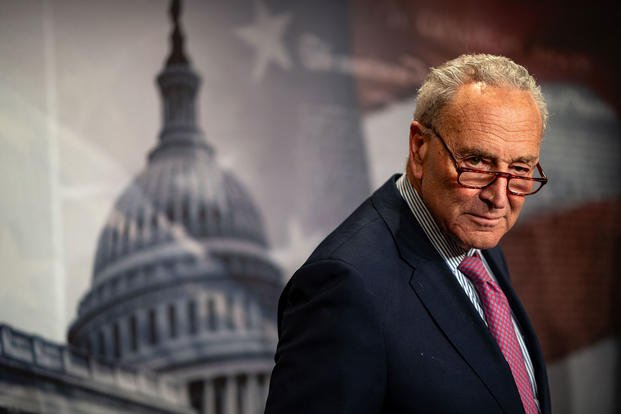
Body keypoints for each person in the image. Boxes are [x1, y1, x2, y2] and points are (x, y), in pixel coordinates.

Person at [264, 54, 551, 414]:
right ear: (419, 148)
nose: (498, 197)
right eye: (476, 162)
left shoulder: (478, 240)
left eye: (520, 168)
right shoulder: (346, 284)